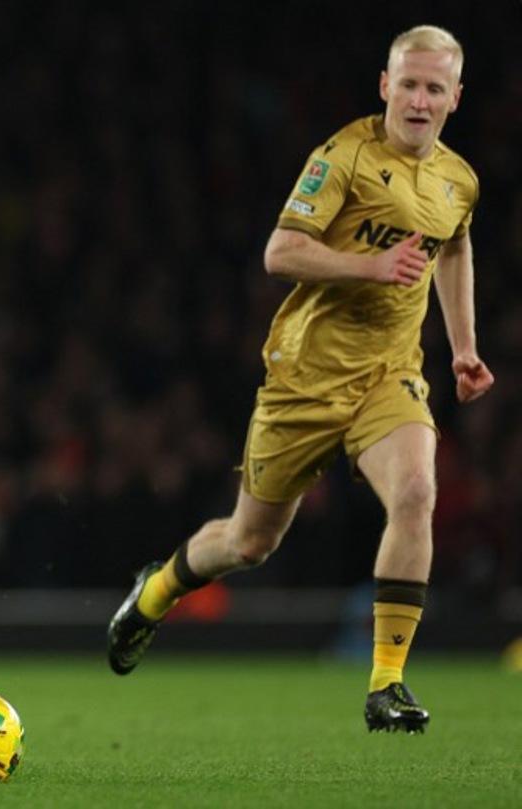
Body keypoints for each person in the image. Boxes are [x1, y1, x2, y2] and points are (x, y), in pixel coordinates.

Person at [107, 25, 493, 734]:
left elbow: (455, 246)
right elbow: (279, 251)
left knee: (415, 491)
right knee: (250, 542)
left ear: (455, 98)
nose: (418, 98)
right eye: (407, 83)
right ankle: (155, 592)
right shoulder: (342, 156)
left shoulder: (458, 179)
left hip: (389, 376)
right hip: (303, 379)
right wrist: (370, 266)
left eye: (434, 87)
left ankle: (387, 683)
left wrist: (464, 346)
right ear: (385, 85)